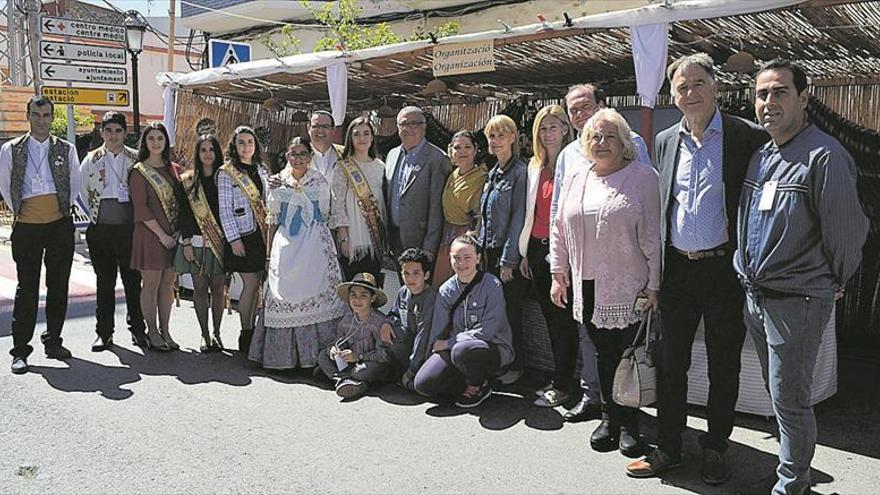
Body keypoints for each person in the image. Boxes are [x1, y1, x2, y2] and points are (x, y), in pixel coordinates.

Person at [626, 53, 769, 485]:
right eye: (681, 87)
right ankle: (669, 447)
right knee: (672, 363)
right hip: (678, 274)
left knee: (724, 364)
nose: (689, 93)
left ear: (716, 85)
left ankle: (717, 448)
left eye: (697, 83)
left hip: (725, 271)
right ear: (673, 95)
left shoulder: (748, 137)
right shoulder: (667, 140)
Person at [734, 59, 868, 495]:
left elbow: (848, 234)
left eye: (779, 92)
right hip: (757, 296)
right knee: (779, 396)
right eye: (761, 94)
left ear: (804, 98)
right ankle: (790, 474)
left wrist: (830, 280)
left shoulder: (825, 156)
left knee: (790, 399)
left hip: (798, 300)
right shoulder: (762, 155)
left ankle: (793, 485)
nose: (768, 102)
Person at [550, 108, 661, 458]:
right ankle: (609, 420)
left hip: (629, 286)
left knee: (627, 357)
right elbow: (558, 228)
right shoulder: (577, 178)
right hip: (587, 282)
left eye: (610, 136)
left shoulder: (643, 177)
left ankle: (630, 425)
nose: (601, 143)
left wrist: (654, 285)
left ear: (625, 142)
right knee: (603, 355)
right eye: (595, 136)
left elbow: (654, 237)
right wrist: (558, 272)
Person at [249, 136, 347, 370]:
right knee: (284, 293)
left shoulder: (319, 181)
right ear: (287, 156)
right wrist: (269, 253)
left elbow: (324, 215)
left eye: (303, 153)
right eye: (293, 154)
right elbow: (272, 219)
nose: (298, 158)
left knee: (316, 289)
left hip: (314, 244)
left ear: (310, 156)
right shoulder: (276, 182)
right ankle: (283, 358)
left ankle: (317, 358)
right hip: (286, 245)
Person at [0, 96, 80, 374]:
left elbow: (75, 184)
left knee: (59, 285)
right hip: (28, 225)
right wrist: (27, 212)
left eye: (46, 115)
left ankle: (53, 341)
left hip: (59, 223)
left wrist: (59, 211)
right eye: (37, 114)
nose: (42, 120)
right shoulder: (12, 149)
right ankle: (20, 350)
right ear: (28, 115)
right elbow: (5, 185)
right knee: (27, 288)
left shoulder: (66, 149)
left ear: (52, 117)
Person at [518, 104, 580, 407]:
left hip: (565, 253)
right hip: (537, 248)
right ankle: (562, 377)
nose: (548, 133)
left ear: (566, 129)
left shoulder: (577, 163)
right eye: (543, 128)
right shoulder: (535, 167)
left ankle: (565, 383)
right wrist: (526, 253)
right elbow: (532, 214)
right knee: (552, 319)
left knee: (563, 321)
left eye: (553, 126)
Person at [413, 233, 514, 408]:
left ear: (478, 259)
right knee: (423, 384)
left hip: (490, 348)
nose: (461, 263)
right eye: (456, 258)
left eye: (467, 257)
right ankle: (464, 382)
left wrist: (450, 343)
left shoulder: (492, 285)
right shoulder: (446, 290)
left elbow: (488, 330)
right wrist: (429, 358)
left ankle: (480, 384)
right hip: (456, 350)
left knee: (461, 349)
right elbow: (438, 329)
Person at [78, 111, 147, 351]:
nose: (113, 135)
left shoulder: (137, 159)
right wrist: (95, 213)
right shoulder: (91, 159)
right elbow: (82, 191)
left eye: (118, 130)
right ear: (102, 132)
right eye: (108, 130)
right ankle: (104, 333)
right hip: (101, 229)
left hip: (129, 230)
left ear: (125, 133)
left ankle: (138, 330)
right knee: (104, 283)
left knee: (132, 282)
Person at [478, 114, 528, 385]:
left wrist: (509, 260)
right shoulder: (493, 171)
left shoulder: (520, 172)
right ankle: (498, 360)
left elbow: (518, 218)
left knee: (511, 313)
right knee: (493, 312)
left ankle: (517, 365)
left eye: (500, 135)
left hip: (506, 255)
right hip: (488, 252)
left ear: (513, 137)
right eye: (491, 136)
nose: (495, 141)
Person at [129, 123, 183, 352]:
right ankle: (151, 330)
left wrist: (178, 231)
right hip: (151, 235)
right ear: (145, 142)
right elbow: (140, 208)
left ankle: (166, 329)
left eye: (160, 138)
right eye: (151, 138)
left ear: (165, 141)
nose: (156, 143)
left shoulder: (174, 169)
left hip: (173, 235)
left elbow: (183, 203)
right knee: (150, 284)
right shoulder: (139, 171)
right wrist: (161, 235)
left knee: (168, 284)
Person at [218, 126, 270, 352]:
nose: (246, 146)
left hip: (262, 234)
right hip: (243, 236)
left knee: (258, 283)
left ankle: (255, 330)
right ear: (234, 145)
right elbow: (225, 210)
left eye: (250, 142)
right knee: (250, 285)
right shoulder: (226, 172)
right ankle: (245, 332)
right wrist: (233, 240)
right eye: (241, 142)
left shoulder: (262, 170)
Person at [174, 134, 227, 352]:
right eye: (203, 150)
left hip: (220, 242)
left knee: (218, 289)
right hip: (195, 242)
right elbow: (183, 214)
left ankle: (217, 332)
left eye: (211, 149)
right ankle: (204, 335)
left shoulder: (225, 178)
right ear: (197, 153)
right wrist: (186, 242)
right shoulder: (187, 181)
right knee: (199, 289)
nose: (207, 154)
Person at [384, 106, 452, 272]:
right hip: (394, 238)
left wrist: (429, 247)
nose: (408, 128)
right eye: (403, 124)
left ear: (424, 126)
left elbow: (437, 207)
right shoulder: (392, 155)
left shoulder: (437, 158)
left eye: (414, 124)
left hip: (420, 240)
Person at [317, 272, 396, 400]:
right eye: (353, 295)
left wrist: (358, 356)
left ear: (372, 298)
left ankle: (345, 380)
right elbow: (339, 342)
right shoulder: (347, 320)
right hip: (351, 364)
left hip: (371, 364)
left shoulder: (379, 323)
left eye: (363, 295)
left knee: (364, 370)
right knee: (322, 356)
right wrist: (334, 350)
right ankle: (347, 381)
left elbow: (384, 356)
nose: (357, 300)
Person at [330, 116, 387, 284]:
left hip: (375, 238)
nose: (362, 138)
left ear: (372, 137)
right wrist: (344, 239)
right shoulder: (343, 167)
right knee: (353, 285)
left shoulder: (381, 166)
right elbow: (337, 204)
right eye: (357, 134)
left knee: (373, 287)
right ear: (350, 138)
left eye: (366, 133)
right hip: (353, 240)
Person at [433, 130, 488, 284]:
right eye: (457, 147)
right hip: (446, 237)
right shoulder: (452, 175)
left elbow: (480, 214)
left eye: (467, 147)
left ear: (476, 149)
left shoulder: (482, 177)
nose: (462, 151)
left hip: (467, 237)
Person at [386, 247, 438, 391]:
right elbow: (393, 314)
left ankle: (410, 377)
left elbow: (423, 336)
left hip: (425, 351)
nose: (410, 279)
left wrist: (412, 370)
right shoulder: (403, 292)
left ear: (426, 275)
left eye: (416, 273)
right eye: (406, 274)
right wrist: (386, 323)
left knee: (421, 385)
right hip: (406, 347)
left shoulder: (431, 298)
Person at [308, 110, 344, 179]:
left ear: (333, 130)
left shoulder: (345, 154)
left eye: (325, 126)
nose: (320, 130)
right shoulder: (298, 154)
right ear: (308, 129)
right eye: (315, 126)